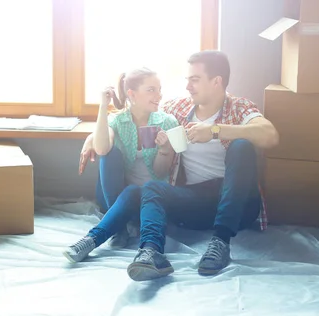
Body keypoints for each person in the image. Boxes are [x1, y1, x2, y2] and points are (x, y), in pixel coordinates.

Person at [79, 50, 279, 281]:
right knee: (152, 188)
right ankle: (151, 252)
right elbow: (132, 113)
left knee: (241, 146)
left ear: (216, 82)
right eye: (187, 80)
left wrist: (215, 131)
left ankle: (221, 242)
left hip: (239, 205)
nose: (188, 86)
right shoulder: (179, 110)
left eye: (194, 80)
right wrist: (92, 138)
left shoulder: (239, 108)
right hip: (197, 202)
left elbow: (270, 135)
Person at [64, 67, 178, 263]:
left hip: (150, 197)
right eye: (151, 90)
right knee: (110, 153)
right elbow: (101, 149)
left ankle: (95, 237)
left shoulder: (167, 122)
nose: (159, 95)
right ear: (131, 94)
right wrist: (102, 106)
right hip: (114, 196)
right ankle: (116, 228)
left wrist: (165, 149)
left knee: (135, 190)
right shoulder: (117, 121)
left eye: (159, 89)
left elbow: (161, 172)